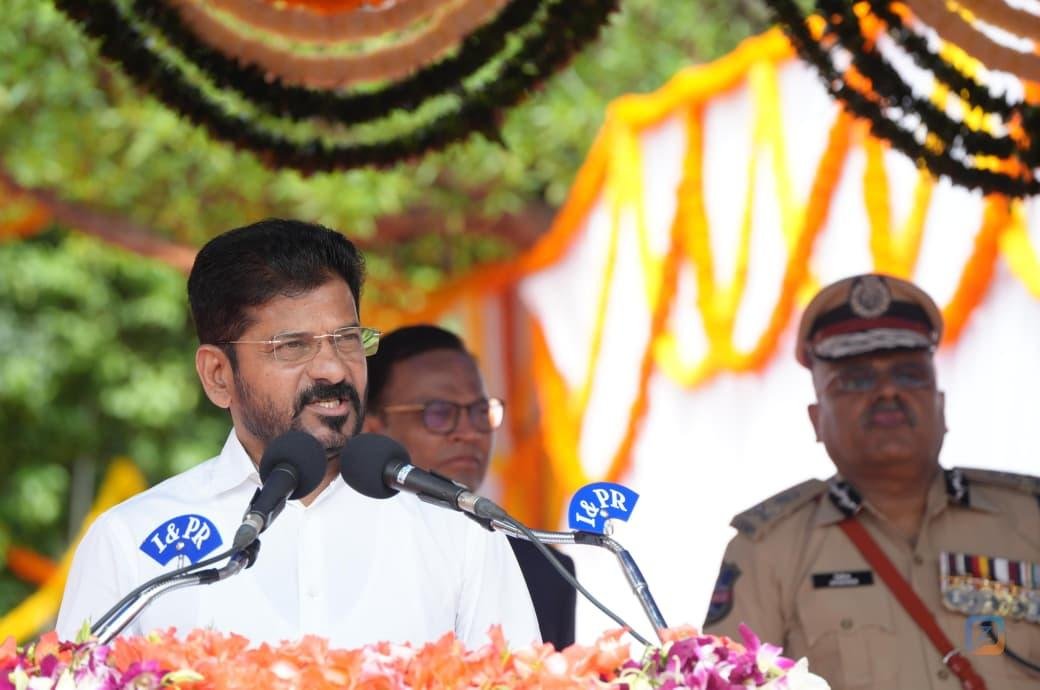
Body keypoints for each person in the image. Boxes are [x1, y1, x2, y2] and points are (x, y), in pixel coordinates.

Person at [56, 219, 540, 649]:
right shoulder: (131, 542)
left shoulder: (457, 531)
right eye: (292, 347)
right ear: (218, 375)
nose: (333, 369)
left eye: (347, 339)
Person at [703, 273, 1040, 690]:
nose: (887, 392)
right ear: (816, 420)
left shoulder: (1029, 522)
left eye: (909, 374)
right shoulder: (770, 549)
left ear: (941, 403)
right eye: (856, 380)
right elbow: (725, 681)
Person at [363, 325, 577, 649]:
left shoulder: (544, 570)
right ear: (372, 427)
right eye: (439, 413)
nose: (469, 432)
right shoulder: (344, 544)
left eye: (480, 411)